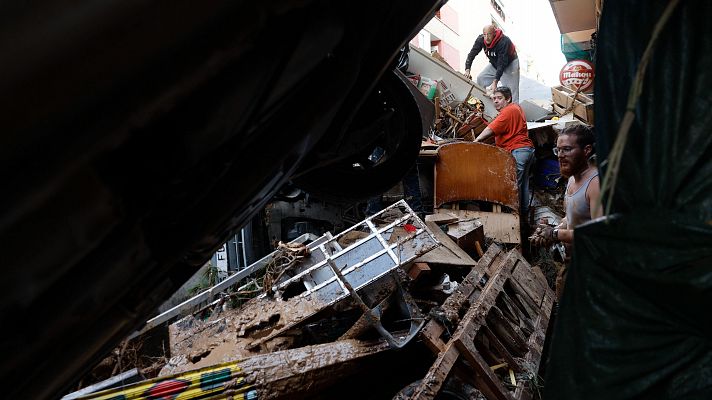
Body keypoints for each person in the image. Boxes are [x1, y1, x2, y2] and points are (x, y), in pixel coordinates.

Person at [530, 123, 602, 297]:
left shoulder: (596, 185)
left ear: (586, 150)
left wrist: (555, 235)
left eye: (567, 149)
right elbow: (571, 220)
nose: (560, 156)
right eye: (558, 150)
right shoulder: (571, 179)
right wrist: (551, 230)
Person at [474, 86, 535, 216]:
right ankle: (522, 217)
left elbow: (491, 129)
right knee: (522, 186)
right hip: (525, 150)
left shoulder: (508, 111)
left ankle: (511, 217)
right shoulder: (515, 108)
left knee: (512, 186)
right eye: (494, 98)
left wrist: (476, 141)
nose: (495, 101)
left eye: (499, 98)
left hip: (518, 150)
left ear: (508, 99)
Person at [464, 24, 520, 103]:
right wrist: (467, 69)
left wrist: (495, 82)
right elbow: (472, 54)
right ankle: (482, 103)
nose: (486, 37)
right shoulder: (481, 39)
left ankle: (514, 112)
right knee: (481, 78)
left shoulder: (504, 41)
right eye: (485, 34)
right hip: (494, 64)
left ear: (494, 33)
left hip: (510, 64)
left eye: (489, 34)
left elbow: (502, 63)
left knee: (512, 92)